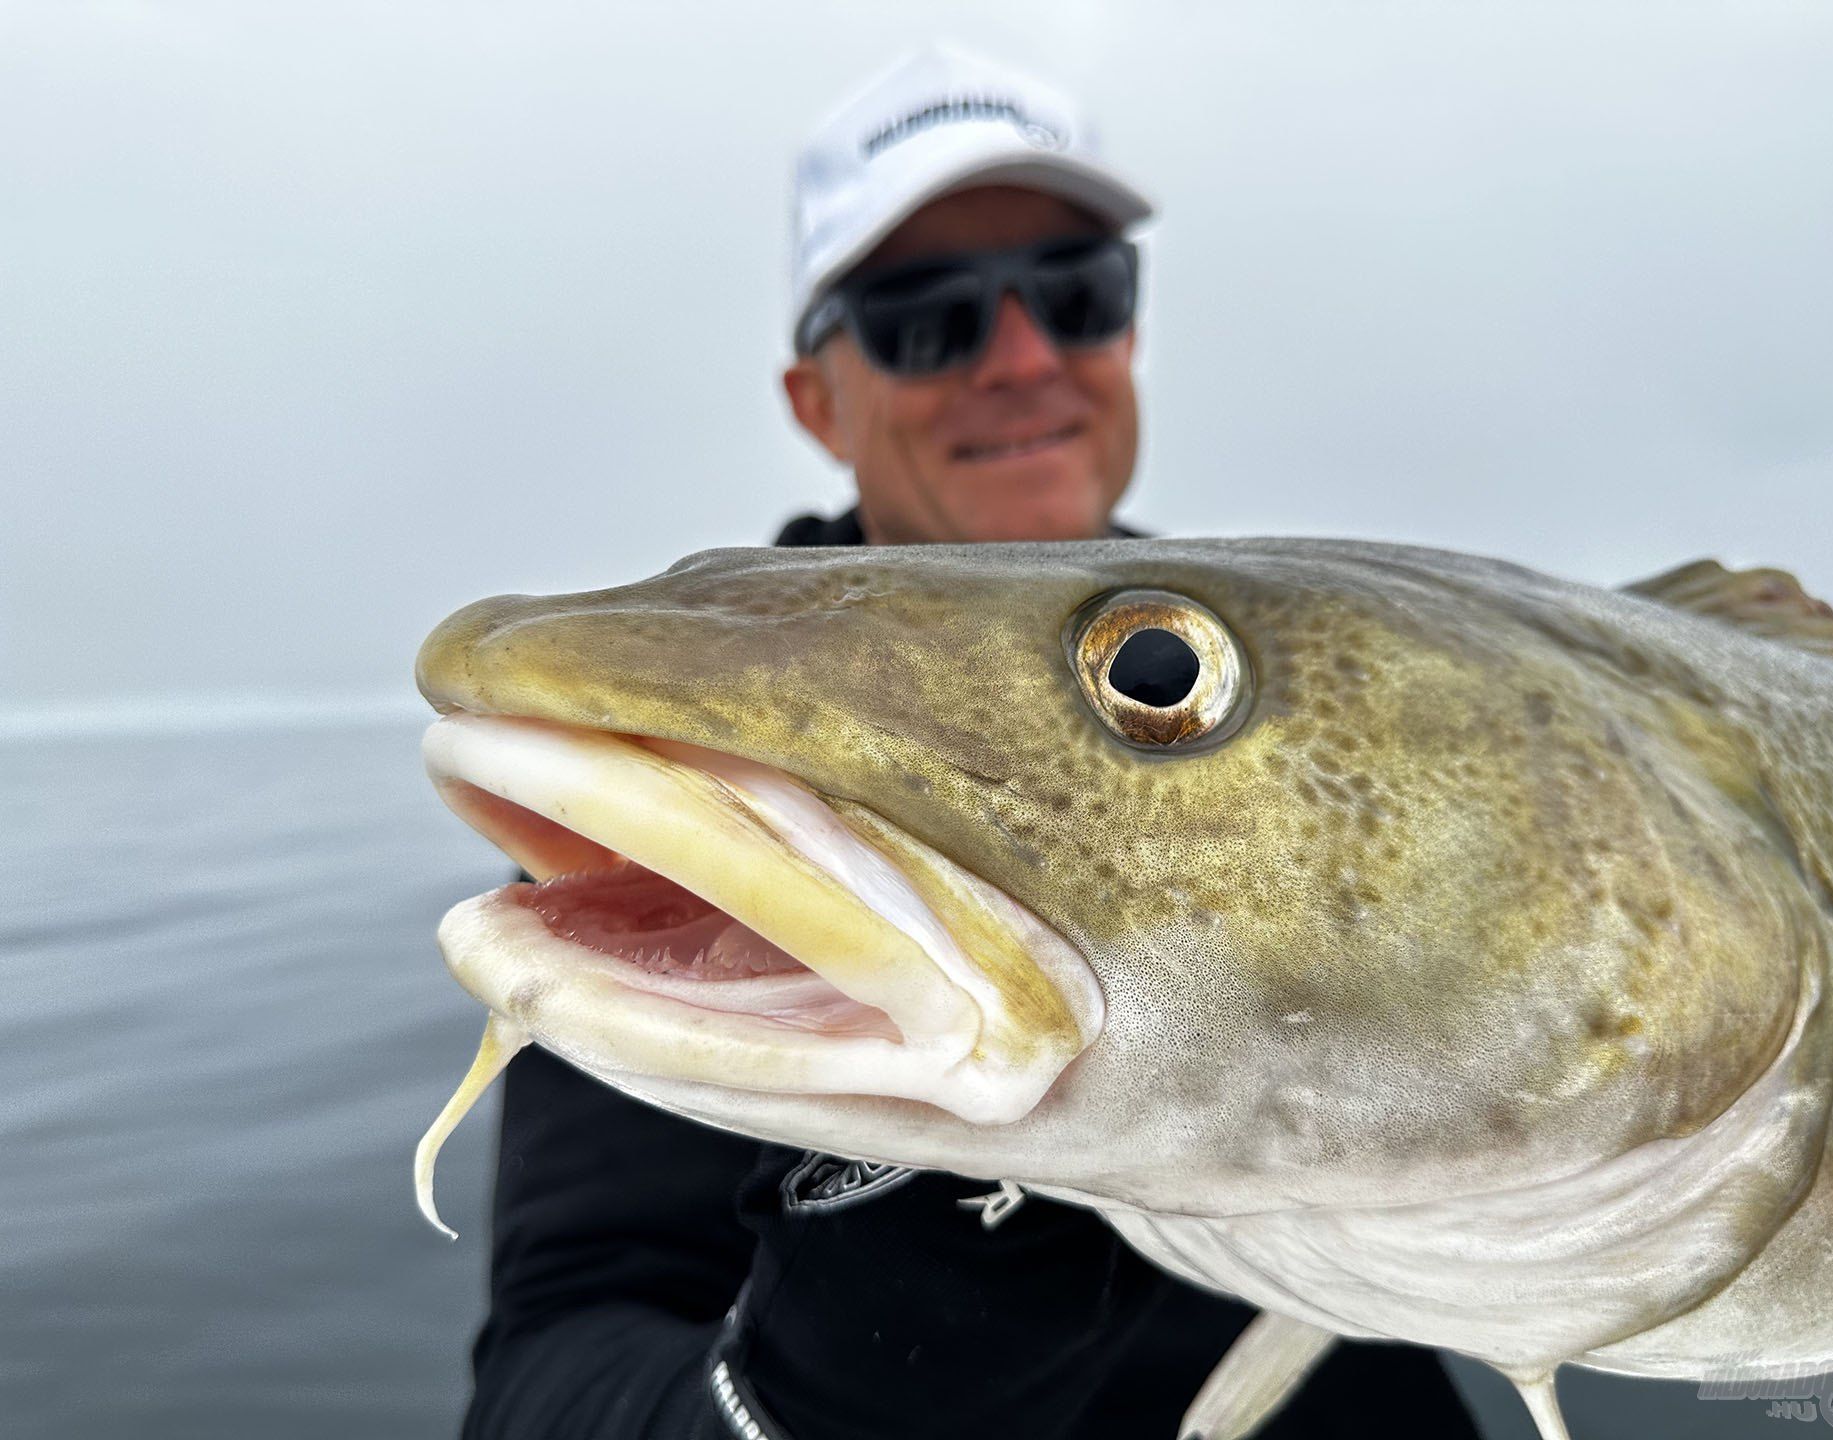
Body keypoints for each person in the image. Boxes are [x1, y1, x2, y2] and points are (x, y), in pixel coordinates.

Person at [463, 45, 1485, 1440]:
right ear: (817, 401)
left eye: (1078, 294)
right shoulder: (686, 781)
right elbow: (554, 1366)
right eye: (925, 318)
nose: (1022, 359)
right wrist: (817, 1394)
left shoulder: (1341, 696)